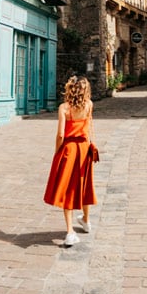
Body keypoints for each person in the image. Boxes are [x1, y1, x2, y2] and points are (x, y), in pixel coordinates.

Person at [43, 75, 97, 247]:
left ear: (70, 89)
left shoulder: (64, 108)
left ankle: (70, 232)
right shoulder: (89, 105)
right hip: (84, 148)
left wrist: (57, 151)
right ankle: (86, 221)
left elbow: (60, 134)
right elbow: (89, 128)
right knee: (84, 185)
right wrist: (90, 146)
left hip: (68, 150)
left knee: (68, 190)